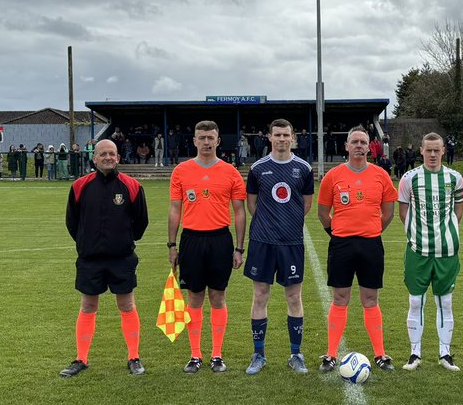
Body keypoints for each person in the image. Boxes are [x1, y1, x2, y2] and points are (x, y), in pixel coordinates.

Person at [59, 140, 149, 378]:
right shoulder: (80, 186)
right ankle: (81, 358)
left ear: (118, 157)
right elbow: (72, 222)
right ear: (94, 158)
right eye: (103, 154)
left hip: (122, 259)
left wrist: (125, 240)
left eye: (112, 154)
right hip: (90, 260)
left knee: (127, 305)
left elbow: (141, 222)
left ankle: (134, 357)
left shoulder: (132, 186)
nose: (108, 157)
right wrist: (85, 243)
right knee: (88, 306)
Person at [316, 127, 398, 372]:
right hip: (341, 243)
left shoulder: (381, 175)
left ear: (369, 147)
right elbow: (322, 213)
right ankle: (330, 354)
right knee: (340, 298)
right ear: (347, 147)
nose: (359, 146)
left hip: (371, 243)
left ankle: (381, 355)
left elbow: (389, 212)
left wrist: (371, 231)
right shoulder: (333, 176)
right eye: (355, 142)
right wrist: (338, 233)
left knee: (370, 299)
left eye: (363, 142)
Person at [168, 121, 248, 374]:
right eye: (201, 137)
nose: (206, 142)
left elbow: (239, 212)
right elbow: (174, 210)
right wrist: (172, 244)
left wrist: (239, 248)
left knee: (218, 296)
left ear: (217, 141)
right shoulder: (181, 171)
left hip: (220, 240)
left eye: (210, 137)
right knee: (194, 296)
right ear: (194, 140)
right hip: (191, 239)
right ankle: (195, 355)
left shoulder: (230, 172)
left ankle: (216, 355)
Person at [243, 119, 314, 375]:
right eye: (277, 135)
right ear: (269, 137)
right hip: (263, 241)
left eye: (286, 135)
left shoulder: (303, 168)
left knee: (294, 297)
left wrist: (287, 223)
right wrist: (268, 224)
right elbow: (252, 205)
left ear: (293, 137)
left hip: (291, 242)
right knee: (260, 295)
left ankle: (296, 354)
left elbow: (306, 206)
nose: (282, 139)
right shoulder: (258, 168)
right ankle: (258, 355)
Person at [397, 132, 463, 371]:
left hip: (446, 251)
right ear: (421, 151)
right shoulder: (409, 178)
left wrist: (445, 233)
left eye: (437, 150)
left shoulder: (455, 178)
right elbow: (403, 212)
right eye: (429, 150)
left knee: (445, 302)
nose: (433, 154)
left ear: (443, 151)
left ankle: (444, 353)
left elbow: (458, 210)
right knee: (416, 301)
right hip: (418, 250)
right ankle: (415, 353)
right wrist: (417, 235)